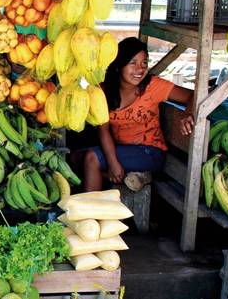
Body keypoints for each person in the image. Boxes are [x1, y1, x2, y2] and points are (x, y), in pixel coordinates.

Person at [82, 37, 195, 192]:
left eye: (144, 63)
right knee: (76, 158)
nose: (140, 69)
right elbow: (103, 130)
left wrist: (187, 114)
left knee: (91, 158)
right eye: (133, 63)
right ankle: (120, 177)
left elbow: (192, 95)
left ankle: (90, 214)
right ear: (119, 65)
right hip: (121, 149)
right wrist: (113, 162)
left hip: (150, 152)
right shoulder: (103, 90)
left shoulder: (153, 86)